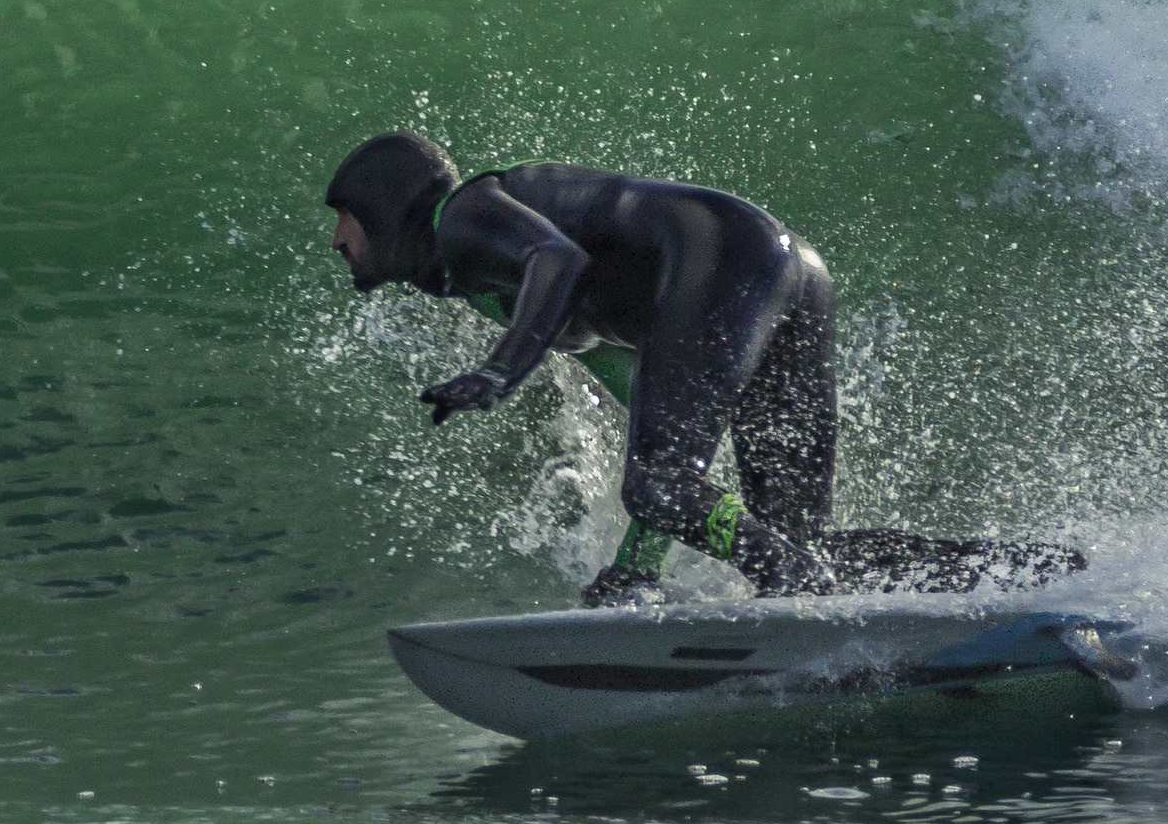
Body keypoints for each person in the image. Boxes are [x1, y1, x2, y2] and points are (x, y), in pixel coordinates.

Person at [322, 129, 1071, 605]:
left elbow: (558, 258)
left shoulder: (464, 216)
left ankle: (798, 585)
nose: (336, 240)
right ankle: (1020, 577)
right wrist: (638, 566)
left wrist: (499, 372)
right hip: (781, 266)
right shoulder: (495, 272)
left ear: (384, 208)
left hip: (726, 258)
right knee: (783, 531)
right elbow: (661, 439)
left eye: (344, 217)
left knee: (673, 493)